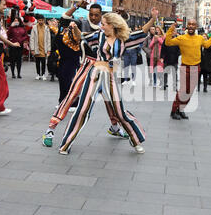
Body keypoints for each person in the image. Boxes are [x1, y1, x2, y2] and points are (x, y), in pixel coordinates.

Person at [42, 8, 158, 149]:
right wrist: (75, 27)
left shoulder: (114, 34)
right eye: (92, 14)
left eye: (97, 15)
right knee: (72, 98)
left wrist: (152, 18)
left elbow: (137, 33)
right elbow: (74, 31)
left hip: (108, 71)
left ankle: (116, 128)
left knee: (112, 103)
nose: (94, 17)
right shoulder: (84, 24)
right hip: (88, 67)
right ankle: (51, 130)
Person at [165, 19, 211, 120]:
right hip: (185, 67)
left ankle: (181, 109)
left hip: (196, 67)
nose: (191, 26)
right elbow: (168, 43)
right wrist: (170, 31)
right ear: (187, 26)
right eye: (189, 24)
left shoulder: (200, 38)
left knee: (190, 92)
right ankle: (173, 111)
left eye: (193, 24)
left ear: (196, 26)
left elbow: (207, 45)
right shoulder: (181, 38)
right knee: (183, 91)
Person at [30, 14, 51, 81]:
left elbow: (48, 39)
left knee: (43, 62)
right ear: (37, 20)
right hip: (37, 46)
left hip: (44, 47)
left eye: (42, 20)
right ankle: (38, 74)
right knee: (37, 62)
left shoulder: (46, 28)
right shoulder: (34, 27)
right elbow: (32, 38)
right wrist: (32, 49)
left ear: (44, 20)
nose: (41, 21)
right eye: (39, 20)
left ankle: (43, 74)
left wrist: (48, 49)